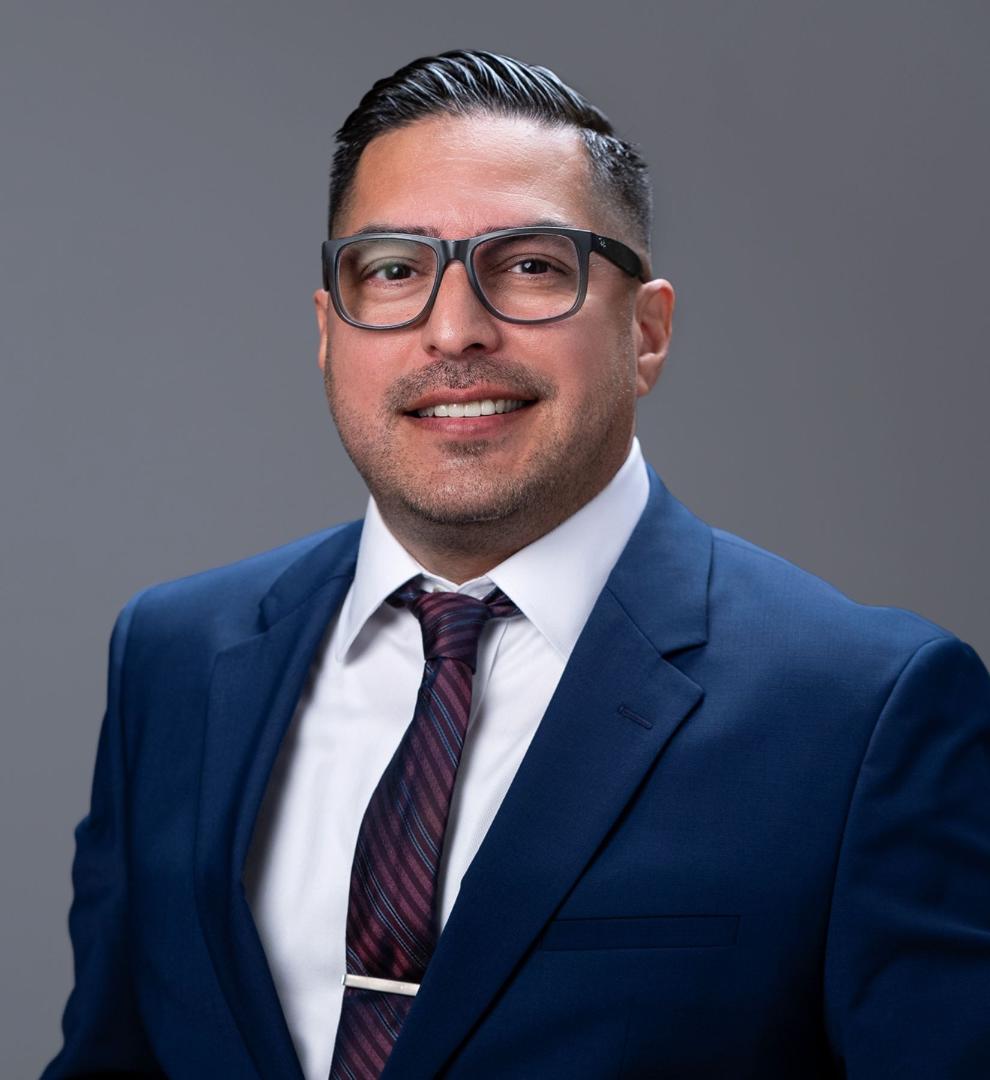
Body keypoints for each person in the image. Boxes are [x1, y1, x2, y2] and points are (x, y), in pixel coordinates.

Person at [44, 49, 990, 1080]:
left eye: (533, 266)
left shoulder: (865, 713)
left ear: (647, 332)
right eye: (394, 270)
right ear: (328, 332)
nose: (454, 331)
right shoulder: (175, 660)